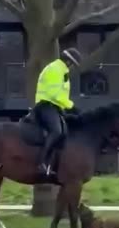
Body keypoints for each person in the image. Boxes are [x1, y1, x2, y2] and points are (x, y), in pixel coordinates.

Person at [31, 47, 83, 177]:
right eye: (72, 64)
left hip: (55, 107)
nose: (72, 67)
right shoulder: (55, 70)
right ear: (69, 62)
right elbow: (54, 94)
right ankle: (41, 163)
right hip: (46, 105)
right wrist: (71, 106)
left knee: (65, 132)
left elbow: (61, 95)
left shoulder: (62, 72)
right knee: (56, 131)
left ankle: (54, 165)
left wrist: (68, 107)